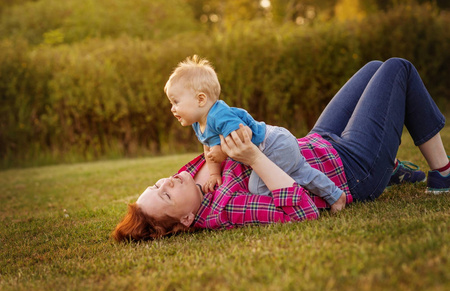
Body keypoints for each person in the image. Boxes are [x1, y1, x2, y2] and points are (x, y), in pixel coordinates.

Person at [112, 57, 449, 242]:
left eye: (158, 184)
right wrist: (253, 158)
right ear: (186, 220)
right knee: (397, 68)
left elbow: (213, 134)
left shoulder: (190, 179)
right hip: (351, 169)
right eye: (166, 195)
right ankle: (440, 174)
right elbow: (303, 213)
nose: (169, 182)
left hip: (318, 141)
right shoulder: (226, 208)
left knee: (374, 67)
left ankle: (390, 168)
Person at [164, 55, 345, 212]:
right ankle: (335, 195)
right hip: (273, 143)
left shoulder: (219, 115)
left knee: (259, 188)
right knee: (300, 172)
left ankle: (306, 199)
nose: (172, 109)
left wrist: (223, 152)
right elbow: (209, 149)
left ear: (201, 99)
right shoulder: (198, 123)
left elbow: (244, 136)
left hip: (273, 145)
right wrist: (214, 175)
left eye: (175, 102)